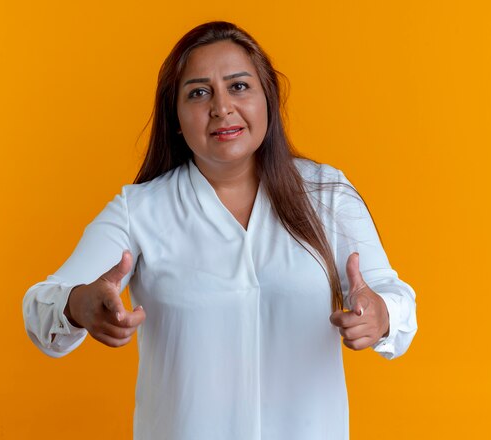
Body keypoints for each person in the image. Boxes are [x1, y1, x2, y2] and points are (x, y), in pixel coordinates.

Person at [22, 21, 417, 440]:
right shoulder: (139, 210)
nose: (221, 107)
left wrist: (381, 315)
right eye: (198, 92)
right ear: (175, 116)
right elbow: (38, 307)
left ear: (268, 98)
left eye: (239, 86)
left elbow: (396, 300)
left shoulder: (327, 194)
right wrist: (77, 305)